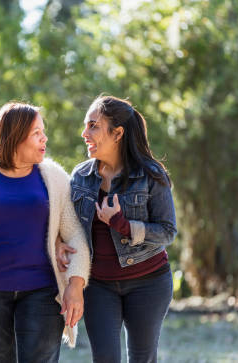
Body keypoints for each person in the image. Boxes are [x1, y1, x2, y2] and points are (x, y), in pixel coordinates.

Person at [0, 102, 90, 363]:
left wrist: (75, 285)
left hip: (43, 291)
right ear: (15, 135)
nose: (44, 138)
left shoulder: (53, 177)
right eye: (36, 132)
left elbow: (75, 236)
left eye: (43, 132)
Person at [56, 95, 177, 363]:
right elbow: (69, 226)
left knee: (142, 358)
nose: (84, 133)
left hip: (149, 282)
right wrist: (57, 242)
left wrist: (122, 225)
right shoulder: (80, 176)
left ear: (118, 133)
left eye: (93, 126)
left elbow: (167, 231)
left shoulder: (151, 175)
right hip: (99, 285)